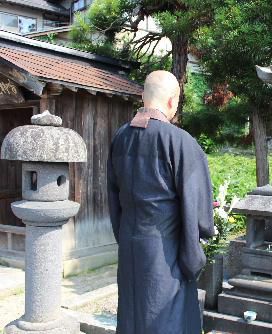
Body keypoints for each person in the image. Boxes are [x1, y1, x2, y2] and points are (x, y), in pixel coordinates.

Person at [107, 71, 215, 334]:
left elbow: (113, 199)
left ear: (144, 96)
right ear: (172, 102)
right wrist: (193, 259)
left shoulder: (120, 137)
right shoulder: (179, 142)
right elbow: (197, 211)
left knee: (133, 319)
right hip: (166, 257)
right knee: (166, 321)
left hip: (131, 250)